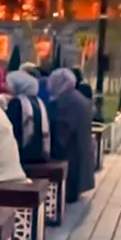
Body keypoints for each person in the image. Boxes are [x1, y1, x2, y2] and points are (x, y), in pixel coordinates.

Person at [46, 68, 96, 203]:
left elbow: (62, 133)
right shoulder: (77, 98)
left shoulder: (66, 102)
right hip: (80, 154)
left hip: (72, 159)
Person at [5, 70, 50, 164]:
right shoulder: (38, 101)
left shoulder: (17, 102)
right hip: (40, 150)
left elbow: (10, 128)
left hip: (23, 153)